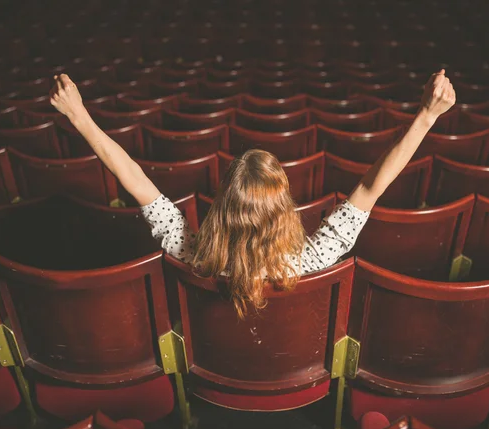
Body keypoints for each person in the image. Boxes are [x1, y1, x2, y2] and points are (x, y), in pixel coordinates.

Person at [50, 70, 455, 317]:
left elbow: (135, 180)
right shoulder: (313, 261)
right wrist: (427, 116)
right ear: (285, 210)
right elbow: (371, 186)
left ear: (222, 205)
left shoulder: (189, 252)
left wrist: (79, 116)